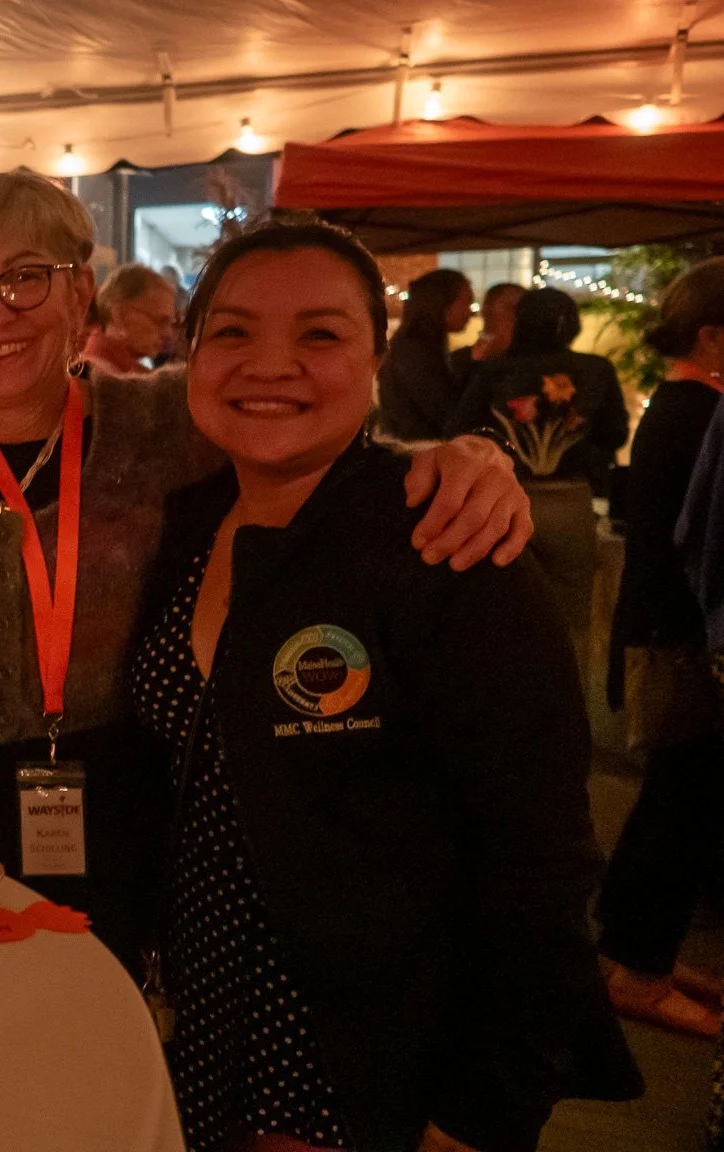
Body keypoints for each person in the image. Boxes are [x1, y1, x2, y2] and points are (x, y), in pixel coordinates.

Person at [0, 171, 528, 963]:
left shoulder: (166, 421)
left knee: (93, 1000)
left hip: (118, 786)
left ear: (81, 293)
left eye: (24, 279)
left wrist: (452, 459)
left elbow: (307, 439)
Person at [133, 218, 638, 1152]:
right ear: (190, 355)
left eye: (319, 335)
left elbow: (542, 861)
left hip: (361, 1061)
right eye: (232, 332)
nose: (269, 364)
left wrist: (483, 1111)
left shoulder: (448, 547)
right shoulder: (193, 524)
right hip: (200, 1028)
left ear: (375, 359)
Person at [604, 257, 724, 1037]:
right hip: (686, 635)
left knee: (671, 798)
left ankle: (628, 953)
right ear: (714, 335)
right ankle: (639, 970)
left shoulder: (679, 405)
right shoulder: (696, 411)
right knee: (688, 801)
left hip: (666, 625)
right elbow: (700, 545)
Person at [447, 288, 628, 642]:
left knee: (501, 613)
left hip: (503, 501)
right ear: (572, 324)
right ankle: (571, 691)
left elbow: (457, 431)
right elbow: (616, 434)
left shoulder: (494, 370)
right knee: (573, 617)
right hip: (572, 501)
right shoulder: (596, 370)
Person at [376, 267, 473, 441]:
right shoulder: (414, 348)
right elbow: (446, 413)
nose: (470, 311)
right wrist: (473, 359)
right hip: (414, 453)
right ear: (441, 303)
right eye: (466, 302)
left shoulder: (419, 343)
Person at [81, 263, 176, 376]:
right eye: (160, 321)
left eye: (170, 323)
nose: (168, 334)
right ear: (120, 316)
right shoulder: (101, 378)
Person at [447, 281, 525, 381]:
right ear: (487, 310)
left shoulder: (530, 362)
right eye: (512, 308)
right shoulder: (456, 364)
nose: (517, 316)